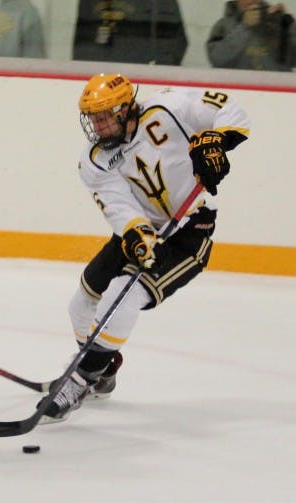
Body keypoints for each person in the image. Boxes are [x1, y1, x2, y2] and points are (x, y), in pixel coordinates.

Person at [40, 74, 250, 423]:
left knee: (123, 293)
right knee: (82, 302)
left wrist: (215, 141)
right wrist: (137, 236)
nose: (97, 125)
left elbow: (230, 109)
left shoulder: (169, 108)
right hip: (143, 229)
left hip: (188, 232)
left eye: (104, 115)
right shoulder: (94, 161)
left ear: (125, 109)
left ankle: (80, 381)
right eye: (92, 117)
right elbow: (119, 207)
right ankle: (102, 370)